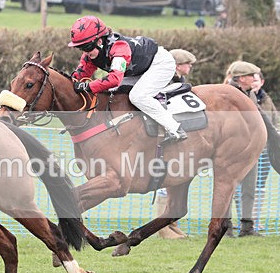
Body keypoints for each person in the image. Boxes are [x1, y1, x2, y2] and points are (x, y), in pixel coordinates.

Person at [67, 15, 187, 144]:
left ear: (99, 41)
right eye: (81, 48)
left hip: (159, 64)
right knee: (114, 93)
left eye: (86, 47)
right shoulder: (90, 54)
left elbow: (114, 79)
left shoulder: (119, 48)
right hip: (139, 69)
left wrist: (87, 87)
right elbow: (77, 77)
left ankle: (175, 129)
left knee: (138, 97)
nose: (85, 52)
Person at [153, 47, 198, 239]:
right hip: (161, 136)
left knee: (176, 181)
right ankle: (162, 228)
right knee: (164, 181)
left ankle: (171, 224)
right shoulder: (164, 81)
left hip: (175, 134)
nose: (190, 66)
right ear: (178, 65)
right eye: (188, 63)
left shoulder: (180, 81)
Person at [223, 60, 262, 237]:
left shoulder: (250, 94)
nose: (255, 78)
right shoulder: (227, 94)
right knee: (226, 189)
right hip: (231, 150)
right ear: (242, 78)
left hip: (250, 148)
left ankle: (247, 227)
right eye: (251, 75)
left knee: (249, 189)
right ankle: (225, 227)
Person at [251, 71, 280, 231]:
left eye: (257, 80)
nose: (254, 83)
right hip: (247, 149)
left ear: (262, 82)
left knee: (260, 185)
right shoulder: (244, 98)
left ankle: (255, 219)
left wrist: (277, 135)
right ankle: (243, 218)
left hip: (265, 150)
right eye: (252, 79)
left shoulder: (267, 100)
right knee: (242, 186)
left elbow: (275, 120)